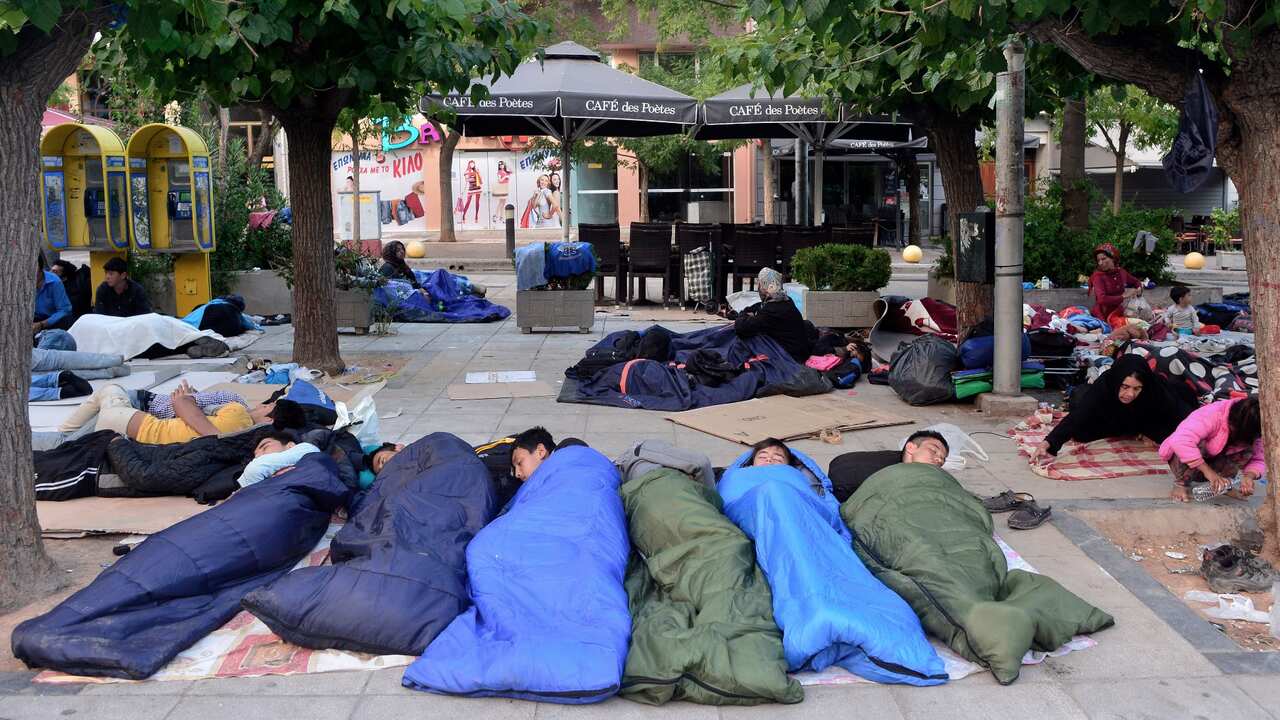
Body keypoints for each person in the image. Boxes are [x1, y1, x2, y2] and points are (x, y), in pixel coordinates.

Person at [1030, 354, 1195, 465]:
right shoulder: (1105, 385)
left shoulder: (1155, 389)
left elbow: (1185, 417)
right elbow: (1078, 416)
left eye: (1136, 388)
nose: (1129, 394)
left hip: (1147, 418)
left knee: (1175, 438)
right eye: (1124, 387)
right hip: (1115, 417)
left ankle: (1138, 431)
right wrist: (1049, 443)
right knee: (1080, 429)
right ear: (1116, 381)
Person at [59, 379, 270, 444]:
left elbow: (181, 404)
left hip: (133, 413)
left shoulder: (236, 412)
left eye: (269, 405)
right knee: (64, 440)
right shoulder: (241, 431)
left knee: (64, 442)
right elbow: (185, 405)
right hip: (135, 413)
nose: (263, 404)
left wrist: (186, 401)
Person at [1161, 396, 1265, 503]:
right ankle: (1181, 483)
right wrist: (1209, 473)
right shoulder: (1212, 414)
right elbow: (1180, 440)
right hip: (1184, 462)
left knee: (1247, 450)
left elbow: (1259, 459)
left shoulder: (1257, 428)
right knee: (1194, 442)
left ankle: (1223, 485)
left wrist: (1249, 476)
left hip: (1214, 461)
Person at [827, 430, 950, 502]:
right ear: (911, 447)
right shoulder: (882, 475)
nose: (939, 459)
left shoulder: (905, 464)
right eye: (933, 451)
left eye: (943, 459)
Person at [733, 267, 811, 363]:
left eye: (760, 285)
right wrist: (749, 311)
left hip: (790, 357)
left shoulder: (772, 310)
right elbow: (759, 307)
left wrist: (743, 314)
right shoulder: (786, 300)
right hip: (798, 353)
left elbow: (741, 327)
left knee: (746, 339)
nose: (759, 288)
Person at [237, 429, 321, 488]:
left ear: (290, 445)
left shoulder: (306, 448)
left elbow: (254, 470)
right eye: (255, 456)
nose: (258, 457)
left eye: (265, 447)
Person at [1087, 243, 1141, 323]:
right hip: (1102, 315)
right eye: (1098, 260)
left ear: (1113, 258)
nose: (1100, 263)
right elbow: (1102, 299)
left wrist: (1139, 289)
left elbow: (1136, 282)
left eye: (1104, 259)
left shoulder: (1121, 272)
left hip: (1118, 312)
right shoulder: (1098, 276)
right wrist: (1123, 296)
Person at [510, 426, 587, 481]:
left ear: (540, 451)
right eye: (515, 468)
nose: (517, 474)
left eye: (520, 463)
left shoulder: (570, 448)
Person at [34, 257, 73, 336]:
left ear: (41, 269)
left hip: (51, 320)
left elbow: (64, 310)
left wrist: (42, 324)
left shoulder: (55, 282)